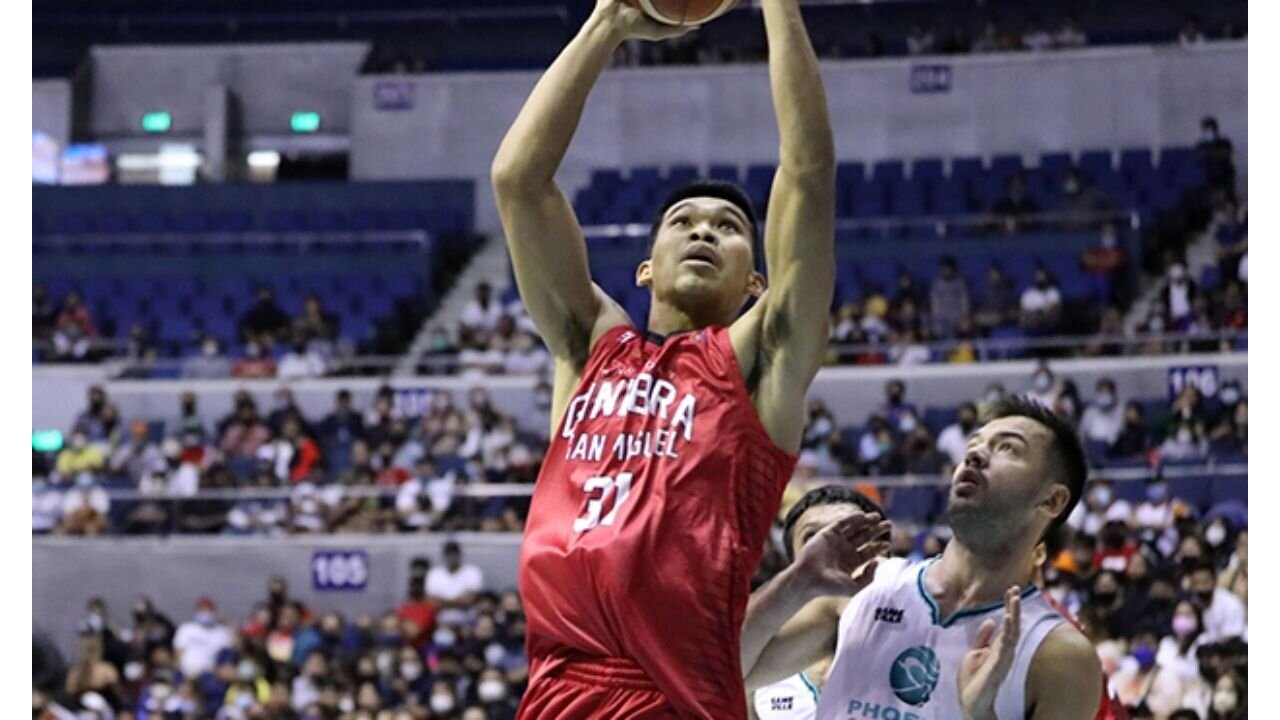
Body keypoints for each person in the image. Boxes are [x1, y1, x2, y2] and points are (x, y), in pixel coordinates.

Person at [492, 0, 836, 715]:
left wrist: (777, 7)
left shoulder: (761, 363)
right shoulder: (591, 345)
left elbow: (807, 172)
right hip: (556, 691)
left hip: (673, 698)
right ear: (646, 267)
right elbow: (519, 183)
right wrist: (607, 23)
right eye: (683, 222)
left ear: (757, 281)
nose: (704, 231)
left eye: (729, 227)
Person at [741, 396, 1103, 719]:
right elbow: (723, 669)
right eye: (973, 445)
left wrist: (981, 715)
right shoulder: (862, 586)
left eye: (1008, 448)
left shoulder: (1062, 657)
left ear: (1052, 501)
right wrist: (795, 583)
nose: (974, 455)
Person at [750, 486, 888, 720]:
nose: (832, 552)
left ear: (883, 553)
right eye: (813, 538)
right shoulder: (755, 665)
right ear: (792, 563)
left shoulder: (923, 638)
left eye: (851, 535)